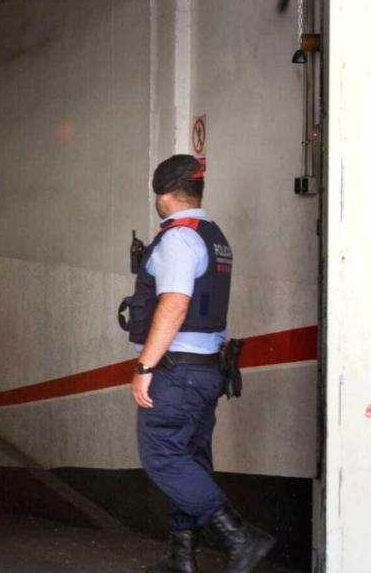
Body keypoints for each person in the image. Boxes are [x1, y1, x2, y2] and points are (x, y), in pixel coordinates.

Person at [121, 155, 274, 573]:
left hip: (177, 372)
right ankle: (181, 557)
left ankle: (239, 536)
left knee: (163, 456)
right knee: (190, 459)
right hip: (207, 370)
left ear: (163, 194)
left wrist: (144, 367)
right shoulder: (213, 235)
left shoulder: (178, 238)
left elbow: (174, 304)